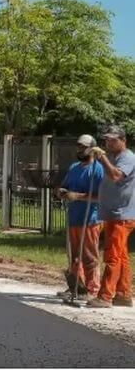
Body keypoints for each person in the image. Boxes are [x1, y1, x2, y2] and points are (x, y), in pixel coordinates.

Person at [88, 125, 135, 308]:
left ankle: (105, 296)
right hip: (113, 213)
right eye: (107, 139)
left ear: (123, 140)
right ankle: (123, 294)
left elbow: (116, 176)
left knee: (112, 255)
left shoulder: (128, 158)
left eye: (113, 140)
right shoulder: (114, 157)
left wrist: (102, 158)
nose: (109, 142)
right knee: (121, 255)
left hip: (122, 214)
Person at [56, 134, 104, 301]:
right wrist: (61, 192)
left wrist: (78, 196)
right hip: (74, 217)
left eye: (83, 147)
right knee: (74, 256)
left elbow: (100, 197)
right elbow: (64, 186)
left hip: (90, 219)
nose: (80, 149)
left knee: (89, 256)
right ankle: (77, 286)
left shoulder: (98, 169)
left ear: (92, 148)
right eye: (78, 146)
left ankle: (93, 289)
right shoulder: (74, 167)